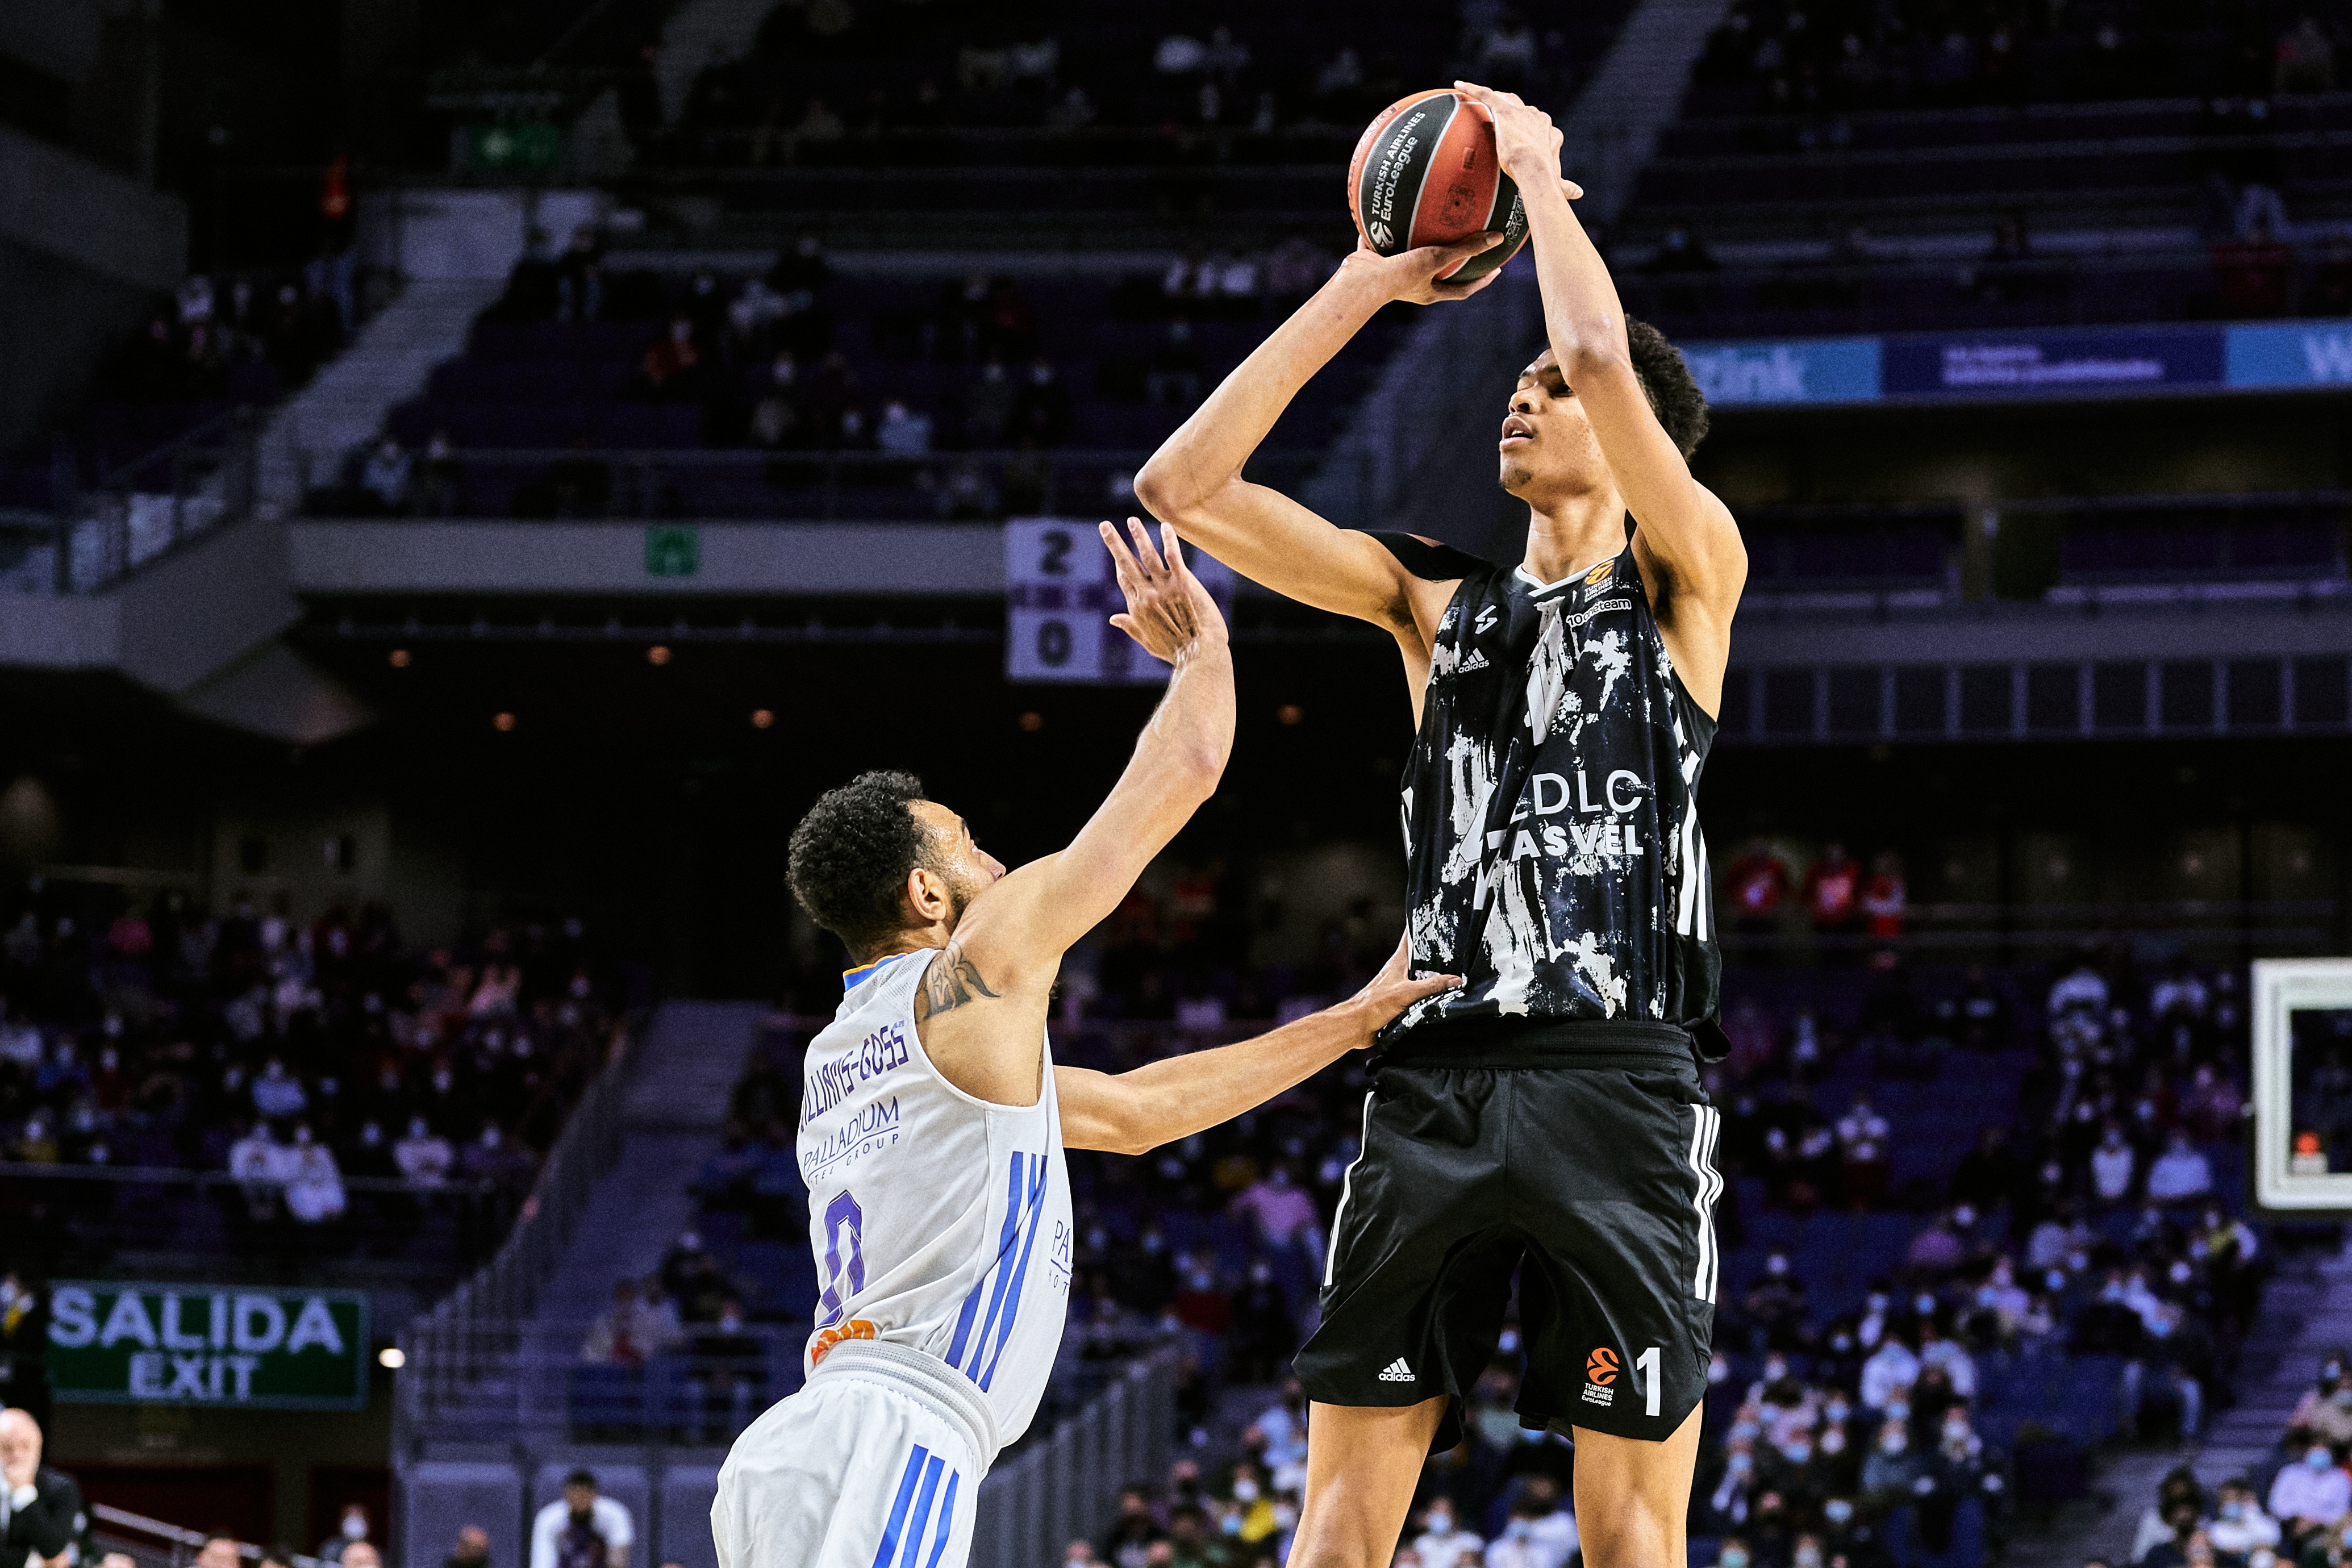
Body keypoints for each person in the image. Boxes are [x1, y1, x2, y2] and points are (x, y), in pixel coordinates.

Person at [1131, 80, 1742, 1568]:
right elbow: (1181, 486)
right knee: (1340, 1527)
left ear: (1639, 443)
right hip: (1432, 1072)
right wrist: (1371, 278)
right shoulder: (1427, 595)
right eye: (1512, 386)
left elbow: (1595, 349)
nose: (1520, 398)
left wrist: (1532, 172)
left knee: (1631, 1535)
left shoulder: (1687, 577)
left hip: (1620, 1078)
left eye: (1547, 391)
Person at [711, 523, 1458, 1568]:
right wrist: (1202, 651)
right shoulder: (970, 974)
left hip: (800, 1445)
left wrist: (1349, 1022)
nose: (993, 861)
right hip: (891, 1434)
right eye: (968, 846)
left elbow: (1139, 1114)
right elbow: (1185, 769)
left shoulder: (843, 1054)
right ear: (926, 894)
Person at [0, 1407, 89, 1568]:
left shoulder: (61, 1487)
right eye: (7, 1447)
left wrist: (23, 1493)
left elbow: (53, 1548)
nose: (17, 1456)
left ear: (38, 1447)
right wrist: (31, 1561)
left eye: (25, 1446)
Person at [532, 1469, 632, 1568]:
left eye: (583, 1495)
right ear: (566, 1495)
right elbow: (542, 1562)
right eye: (574, 1496)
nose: (579, 1500)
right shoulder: (548, 1519)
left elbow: (618, 1561)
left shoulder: (615, 1514)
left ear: (594, 1494)